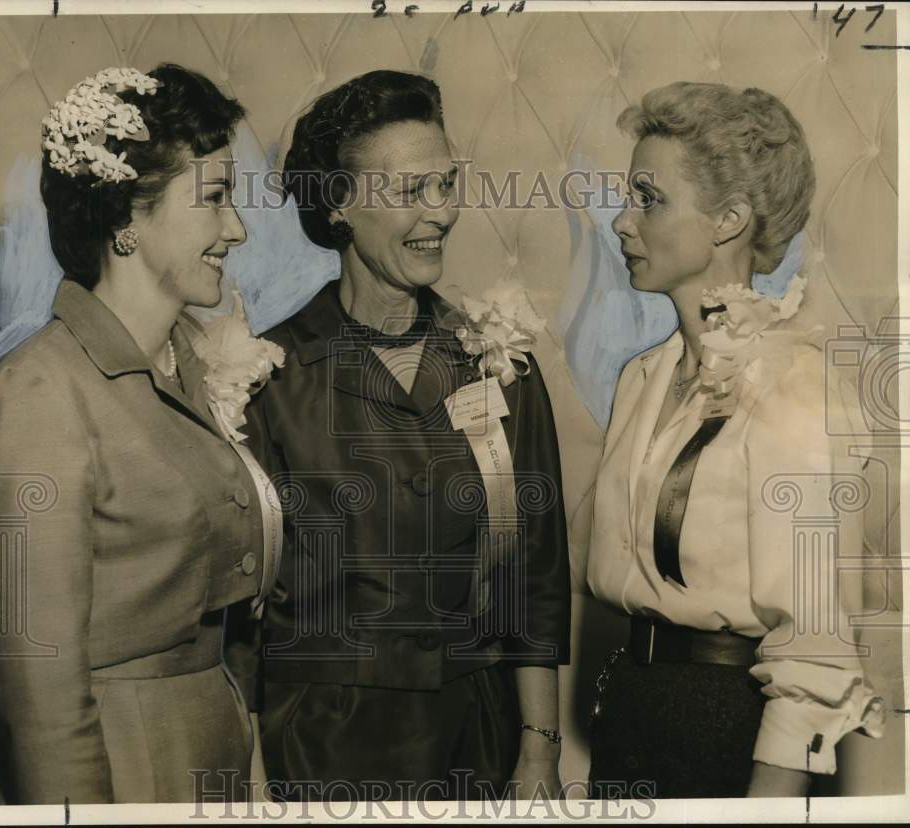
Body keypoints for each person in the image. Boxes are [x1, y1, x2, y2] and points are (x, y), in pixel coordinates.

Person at [242, 69, 571, 801]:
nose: (441, 213)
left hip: (472, 745)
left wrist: (539, 752)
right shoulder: (269, 378)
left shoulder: (501, 361)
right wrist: (252, 778)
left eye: (446, 184)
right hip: (316, 750)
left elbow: (532, 579)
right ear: (339, 205)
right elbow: (243, 618)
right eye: (409, 192)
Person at [0, 64, 276, 804]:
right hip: (119, 764)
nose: (238, 228)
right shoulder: (41, 393)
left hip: (210, 749)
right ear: (127, 219)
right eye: (216, 200)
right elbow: (40, 698)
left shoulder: (184, 364)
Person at [587, 81, 884, 799]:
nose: (622, 223)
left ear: (728, 219)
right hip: (629, 708)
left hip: (728, 728)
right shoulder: (643, 377)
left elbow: (813, 645)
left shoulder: (796, 385)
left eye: (648, 198)